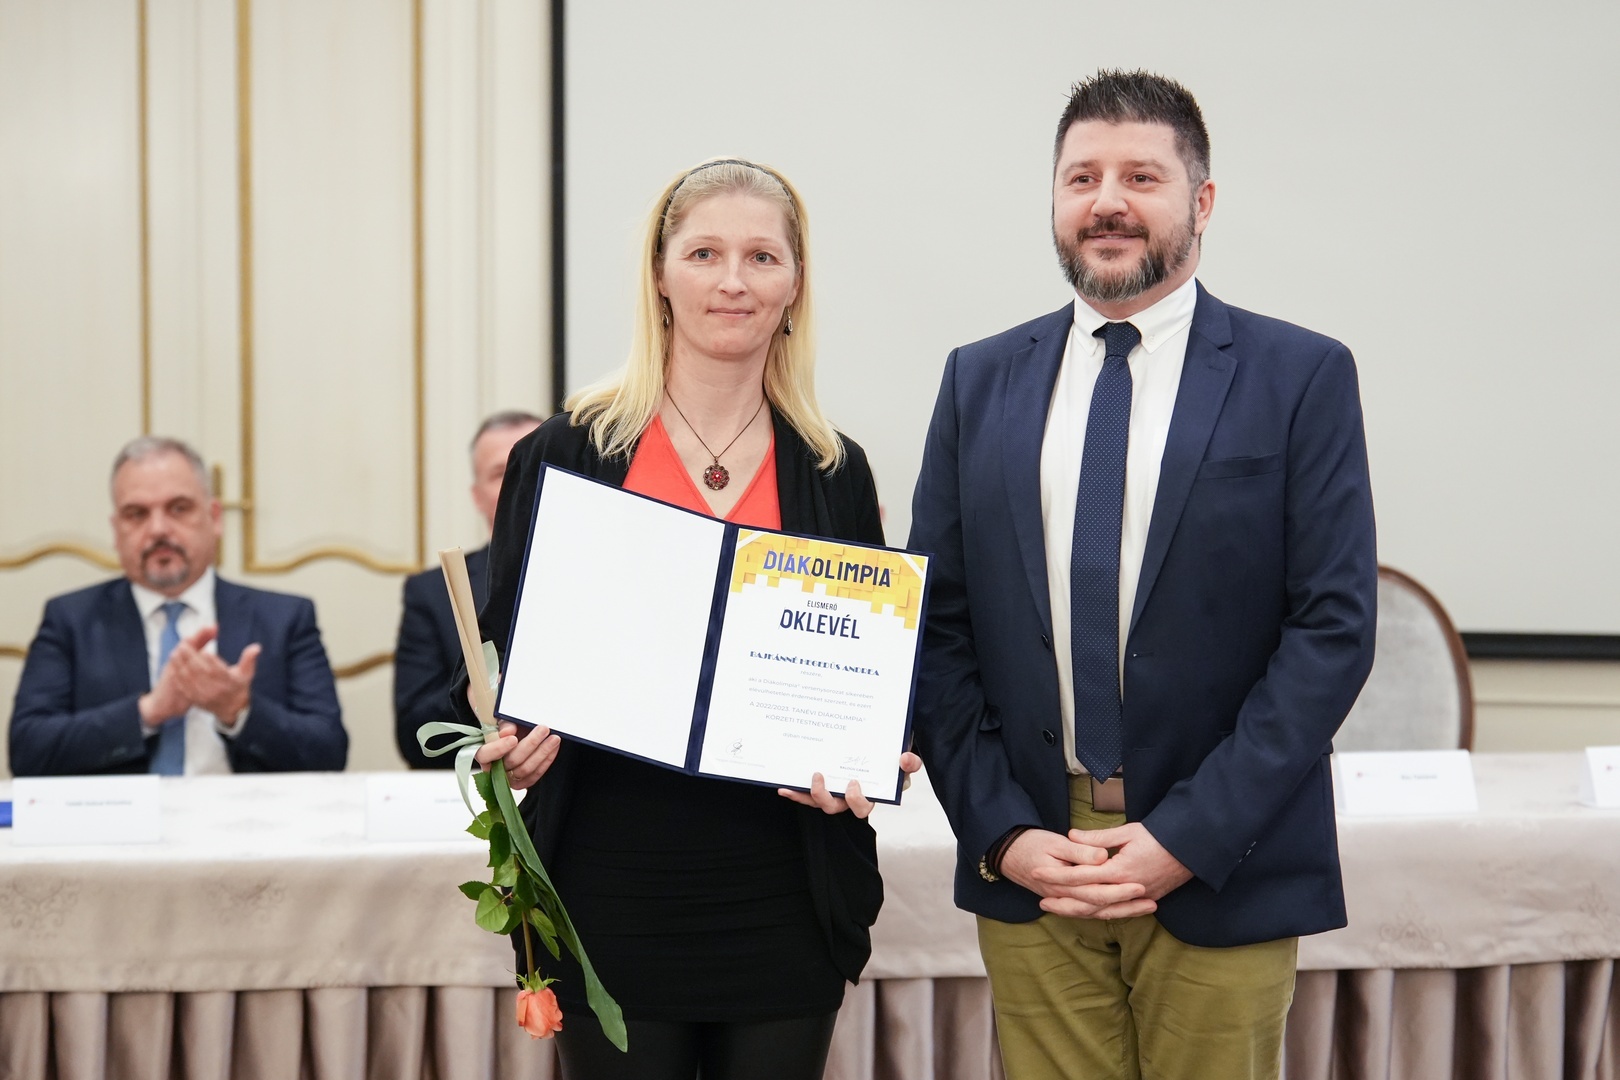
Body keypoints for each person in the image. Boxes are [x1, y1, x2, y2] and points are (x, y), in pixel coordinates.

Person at [907, 71, 1377, 1080]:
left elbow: (1332, 631)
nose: (1107, 202)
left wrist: (1187, 837)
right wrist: (1003, 832)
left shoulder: (1301, 376)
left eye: (1141, 177)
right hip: (1037, 861)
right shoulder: (978, 380)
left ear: (1201, 201)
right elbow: (937, 629)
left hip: (1223, 858)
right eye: (1081, 177)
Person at [459, 158, 920, 1080]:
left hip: (784, 888)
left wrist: (871, 752)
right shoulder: (565, 452)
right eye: (704, 253)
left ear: (794, 286)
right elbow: (494, 658)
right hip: (606, 885)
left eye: (762, 257)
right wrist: (505, 735)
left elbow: (868, 666)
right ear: (660, 275)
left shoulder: (834, 470)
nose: (732, 281)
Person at [10, 436, 347, 776]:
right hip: (122, 811)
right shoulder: (70, 620)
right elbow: (27, 751)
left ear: (214, 518)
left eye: (179, 508)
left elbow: (329, 752)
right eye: (137, 514)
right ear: (116, 531)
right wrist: (148, 712)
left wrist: (238, 709)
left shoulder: (285, 619)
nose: (158, 529)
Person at [394, 409, 543, 768]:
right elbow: (414, 732)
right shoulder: (432, 593)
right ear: (477, 496)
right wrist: (479, 697)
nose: (519, 480)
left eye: (533, 464)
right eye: (501, 472)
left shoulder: (610, 578)